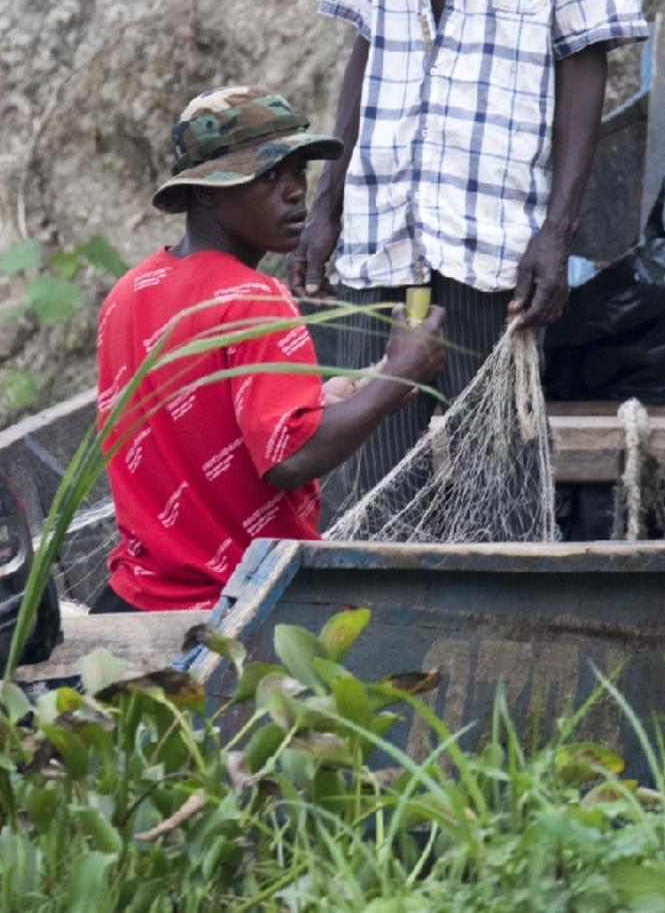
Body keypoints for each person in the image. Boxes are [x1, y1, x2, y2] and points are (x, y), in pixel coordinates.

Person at [292, 0, 650, 516]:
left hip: (495, 227)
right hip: (382, 217)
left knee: (498, 475)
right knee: (366, 471)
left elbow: (584, 62)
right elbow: (367, 43)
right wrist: (327, 200)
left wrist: (556, 232)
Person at [92, 85, 446, 613]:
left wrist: (350, 392)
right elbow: (290, 457)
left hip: (137, 600)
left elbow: (213, 427)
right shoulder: (255, 298)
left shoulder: (128, 294)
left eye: (297, 171)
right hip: (236, 603)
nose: (294, 191)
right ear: (208, 191)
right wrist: (399, 374)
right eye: (267, 175)